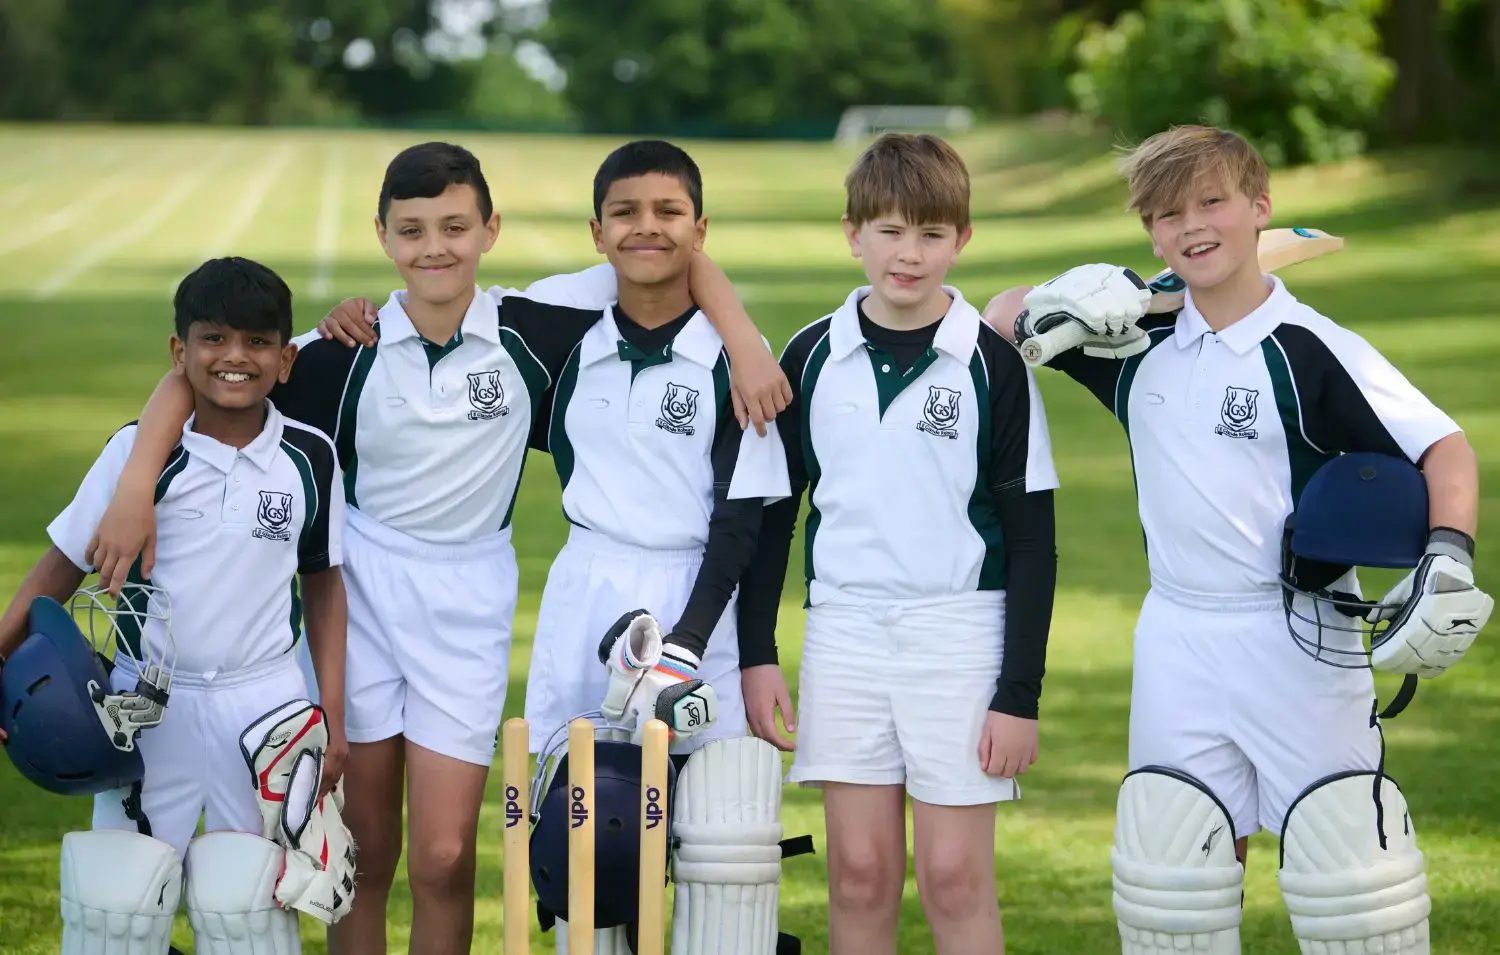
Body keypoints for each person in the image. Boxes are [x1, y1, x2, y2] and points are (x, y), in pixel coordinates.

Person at [81, 141, 790, 955]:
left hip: (471, 596)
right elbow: (211, 374)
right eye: (412, 230)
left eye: (456, 226)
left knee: (445, 856)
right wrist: (138, 481)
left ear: (490, 229)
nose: (436, 247)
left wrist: (742, 338)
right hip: (367, 591)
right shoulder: (348, 348)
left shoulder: (538, 327)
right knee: (369, 848)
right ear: (384, 237)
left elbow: (676, 261)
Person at [983, 123, 1490, 954]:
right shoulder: (1132, 343)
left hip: (1301, 634)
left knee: (1351, 884)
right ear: (1149, 230)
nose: (1190, 226)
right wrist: (1090, 289)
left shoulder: (1311, 349)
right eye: (1166, 213)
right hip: (1177, 634)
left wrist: (1448, 557)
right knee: (1173, 885)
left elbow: (1444, 447)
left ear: (1260, 208)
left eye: (1211, 202)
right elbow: (1000, 323)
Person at [735, 132, 1061, 955]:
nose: (908, 254)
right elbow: (774, 517)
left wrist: (1019, 692)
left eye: (930, 234)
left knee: (954, 876)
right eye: (888, 231)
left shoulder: (993, 365)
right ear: (852, 233)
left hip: (959, 633)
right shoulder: (810, 355)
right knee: (858, 870)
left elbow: (1033, 544)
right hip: (845, 632)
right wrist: (758, 651)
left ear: (962, 240)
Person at [0, 256, 351, 953]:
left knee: (248, 916)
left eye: (256, 343)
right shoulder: (137, 454)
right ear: (179, 351)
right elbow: (56, 573)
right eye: (213, 338)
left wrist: (331, 715)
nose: (234, 358)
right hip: (142, 707)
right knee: (116, 913)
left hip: (264, 709)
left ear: (285, 359)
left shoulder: (310, 457)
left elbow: (323, 584)